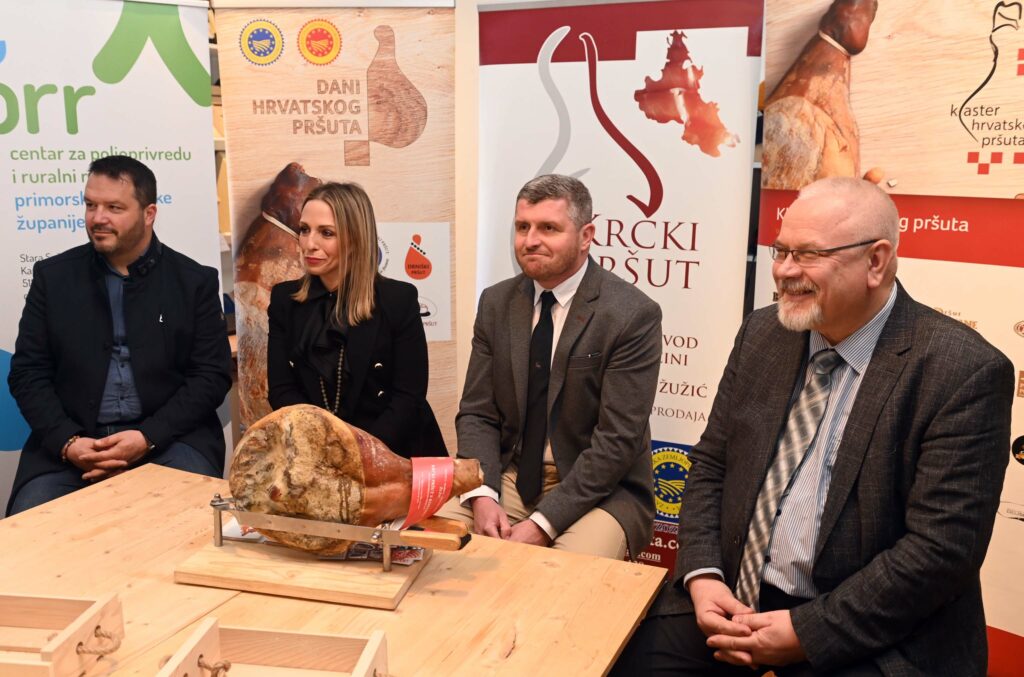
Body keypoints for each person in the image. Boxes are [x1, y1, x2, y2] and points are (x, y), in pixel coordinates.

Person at [615, 177, 1014, 676]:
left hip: (875, 632)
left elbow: (939, 553)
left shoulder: (962, 370)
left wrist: (807, 632)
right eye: (780, 251)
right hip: (737, 598)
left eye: (807, 255)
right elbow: (712, 462)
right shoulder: (764, 331)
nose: (783, 272)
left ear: (876, 261)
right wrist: (704, 576)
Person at [436, 174, 662, 559]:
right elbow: (477, 413)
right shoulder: (496, 303)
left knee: (564, 584)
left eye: (548, 228)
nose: (530, 240)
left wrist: (543, 524)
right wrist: (482, 493)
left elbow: (617, 442)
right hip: (507, 475)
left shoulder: (631, 315)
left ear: (586, 235)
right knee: (438, 551)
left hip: (598, 492)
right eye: (522, 227)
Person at [7, 155, 233, 515]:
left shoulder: (193, 282)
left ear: (149, 213)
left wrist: (147, 438)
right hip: (72, 446)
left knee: (198, 525)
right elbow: (28, 373)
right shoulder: (53, 278)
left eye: (114, 207)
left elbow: (210, 376)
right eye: (90, 205)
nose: (98, 218)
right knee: (25, 536)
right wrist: (68, 443)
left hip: (169, 440)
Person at [266, 182, 446, 458]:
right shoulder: (284, 300)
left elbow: (408, 396)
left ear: (356, 238)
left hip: (392, 453)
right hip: (314, 455)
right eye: (304, 229)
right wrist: (323, 451)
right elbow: (282, 391)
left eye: (326, 233)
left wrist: (358, 455)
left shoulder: (398, 300)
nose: (309, 244)